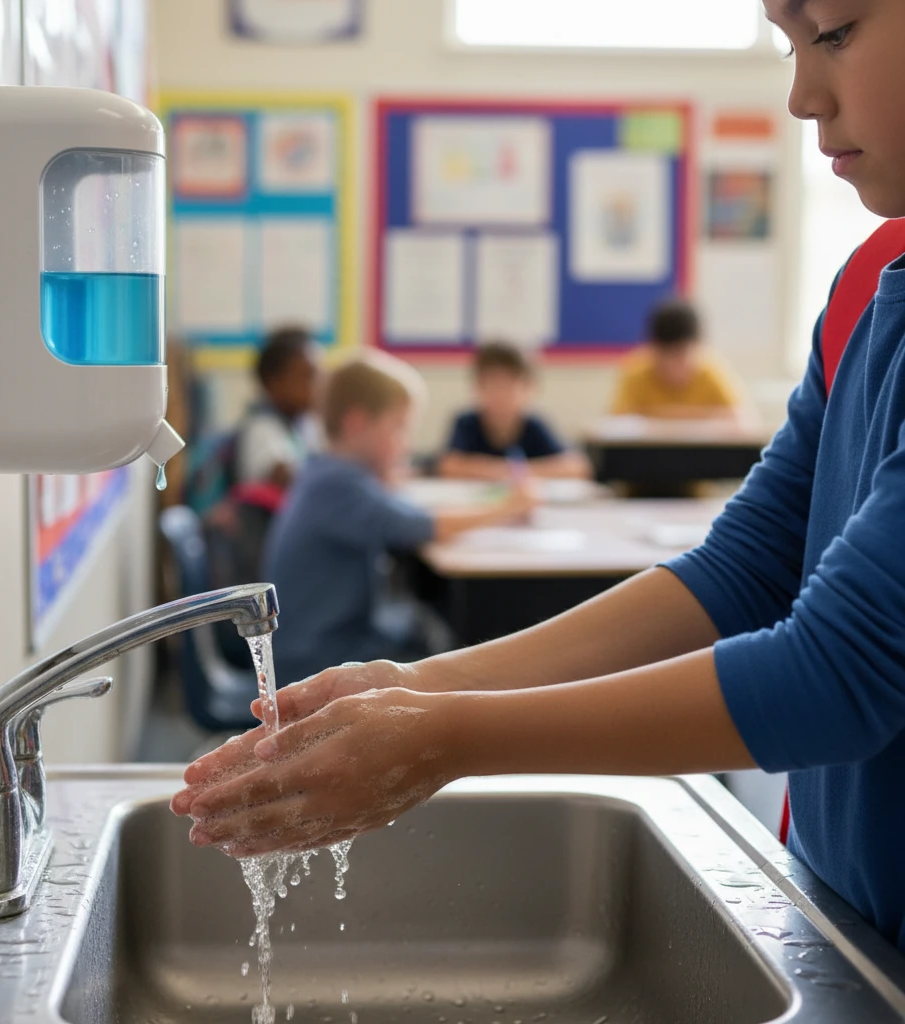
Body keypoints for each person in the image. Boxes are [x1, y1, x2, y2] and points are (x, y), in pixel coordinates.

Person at [173, 0, 905, 955]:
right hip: (848, 906)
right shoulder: (862, 287)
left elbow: (840, 671)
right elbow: (746, 566)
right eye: (787, 44)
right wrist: (419, 688)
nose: (803, 94)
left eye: (835, 32)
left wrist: (450, 737)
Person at [258, 352, 534, 686]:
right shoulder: (337, 485)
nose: (407, 443)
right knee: (448, 644)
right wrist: (509, 506)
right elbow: (425, 526)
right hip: (320, 659)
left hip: (322, 642)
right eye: (399, 427)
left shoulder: (327, 472)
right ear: (357, 423)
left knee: (429, 626)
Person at [439, 341, 591, 481]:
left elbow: (576, 467)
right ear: (478, 387)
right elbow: (449, 466)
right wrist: (512, 471)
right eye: (493, 384)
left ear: (528, 388)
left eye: (508, 386)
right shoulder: (467, 423)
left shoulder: (534, 425)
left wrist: (512, 472)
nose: (500, 395)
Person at [610, 299, 744, 421]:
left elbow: (743, 422)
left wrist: (652, 415)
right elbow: (615, 423)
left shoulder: (711, 371)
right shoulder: (636, 372)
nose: (672, 366)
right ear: (652, 349)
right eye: (665, 356)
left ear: (698, 348)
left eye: (681, 355)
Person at [233, 326, 323, 495]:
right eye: (308, 376)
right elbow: (283, 475)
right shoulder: (261, 426)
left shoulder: (305, 423)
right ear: (273, 382)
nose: (318, 386)